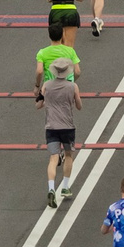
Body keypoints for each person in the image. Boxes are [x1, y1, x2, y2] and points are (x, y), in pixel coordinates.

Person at [39, 62, 81, 205]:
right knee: (68, 155)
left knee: (53, 158)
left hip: (51, 126)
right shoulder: (72, 86)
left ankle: (51, 188)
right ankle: (65, 186)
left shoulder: (46, 85)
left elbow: (38, 104)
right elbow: (79, 106)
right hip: (67, 127)